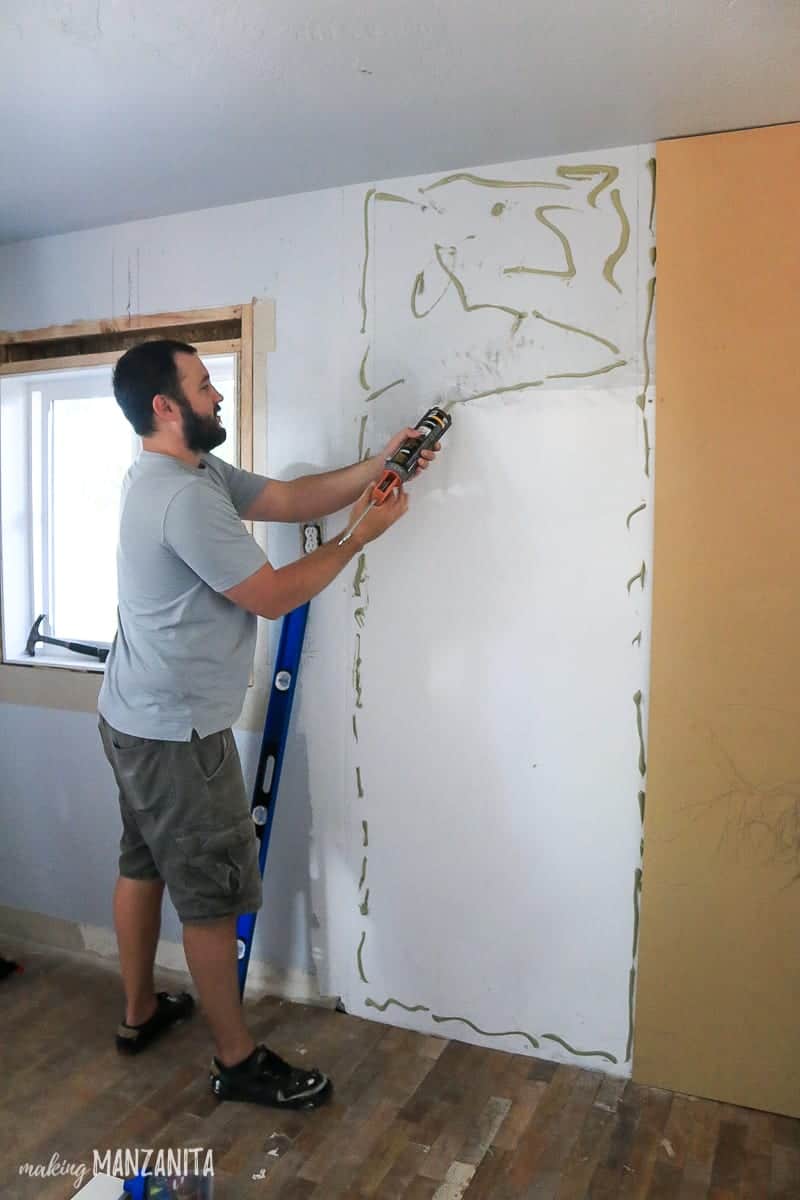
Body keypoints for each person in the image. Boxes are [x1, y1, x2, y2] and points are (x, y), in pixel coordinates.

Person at [97, 339, 440, 1109]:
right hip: (179, 736)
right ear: (165, 405)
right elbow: (273, 595)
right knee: (214, 898)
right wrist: (361, 536)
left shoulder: (188, 472)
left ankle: (139, 1014)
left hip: (133, 715)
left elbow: (285, 500)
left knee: (143, 863)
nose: (217, 394)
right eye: (204, 384)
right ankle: (236, 1060)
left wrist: (378, 462)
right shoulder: (181, 498)